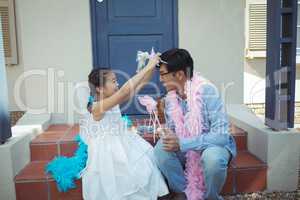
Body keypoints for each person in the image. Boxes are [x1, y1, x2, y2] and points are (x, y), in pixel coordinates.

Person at [80, 55, 169, 200]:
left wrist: (151, 66)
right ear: (99, 88)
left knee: (146, 164)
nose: (117, 84)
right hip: (108, 150)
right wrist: (148, 66)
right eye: (113, 81)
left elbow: (140, 84)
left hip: (124, 140)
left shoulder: (113, 100)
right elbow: (124, 91)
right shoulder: (97, 107)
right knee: (122, 181)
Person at [154, 48, 237, 200]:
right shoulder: (171, 98)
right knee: (161, 149)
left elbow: (221, 136)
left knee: (213, 158)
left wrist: (183, 144)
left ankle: (210, 197)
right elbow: (174, 131)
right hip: (187, 147)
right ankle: (185, 193)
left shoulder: (207, 91)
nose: (160, 80)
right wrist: (165, 128)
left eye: (162, 74)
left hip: (213, 145)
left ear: (179, 74)